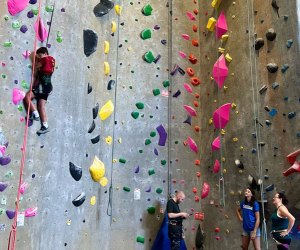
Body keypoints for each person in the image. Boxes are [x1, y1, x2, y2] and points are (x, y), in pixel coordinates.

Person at [23, 47, 55, 135]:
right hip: (47, 87)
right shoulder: (51, 61)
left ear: (45, 54)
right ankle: (45, 126)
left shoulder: (46, 59)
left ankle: (35, 114)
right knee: (41, 106)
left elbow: (37, 67)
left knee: (27, 97)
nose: (39, 58)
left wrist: (37, 63)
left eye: (40, 55)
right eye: (38, 56)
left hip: (42, 86)